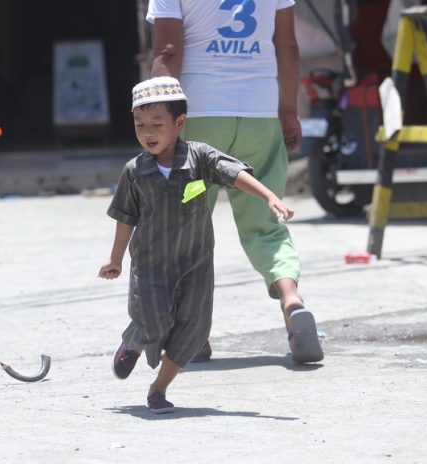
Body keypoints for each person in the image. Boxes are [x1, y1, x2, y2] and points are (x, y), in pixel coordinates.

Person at [98, 76, 294, 413]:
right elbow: (125, 217)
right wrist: (115, 259)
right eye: (140, 124)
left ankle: (158, 390)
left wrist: (269, 196)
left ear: (180, 123)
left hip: (195, 265)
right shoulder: (134, 171)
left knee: (193, 331)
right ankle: (133, 342)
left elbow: (233, 173)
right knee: (152, 323)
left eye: (157, 124)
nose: (148, 132)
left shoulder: (199, 157)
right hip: (150, 265)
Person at [146, 0, 324, 363]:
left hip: (200, 119)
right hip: (259, 114)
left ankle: (191, 336)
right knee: (266, 224)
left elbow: (167, 51)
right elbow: (287, 45)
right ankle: (290, 298)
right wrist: (288, 111)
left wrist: (153, 122)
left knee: (185, 228)